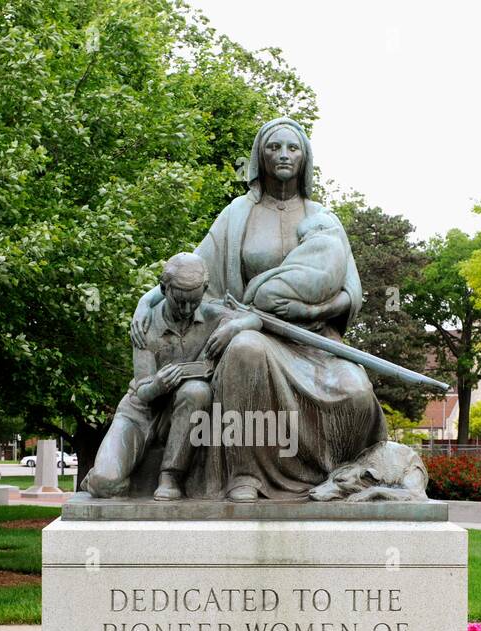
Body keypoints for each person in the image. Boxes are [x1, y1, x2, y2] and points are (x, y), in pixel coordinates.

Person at [131, 118, 386, 502]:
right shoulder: (237, 214)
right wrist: (147, 299)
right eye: (273, 147)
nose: (283, 155)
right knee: (244, 349)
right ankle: (244, 474)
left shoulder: (322, 219)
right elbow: (192, 269)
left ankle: (331, 475)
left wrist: (307, 309)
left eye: (292, 148)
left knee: (358, 393)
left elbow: (351, 294)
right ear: (259, 157)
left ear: (305, 159)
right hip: (250, 333)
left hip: (313, 340)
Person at [85, 252, 219, 500]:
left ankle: (170, 477)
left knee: (197, 391)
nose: (187, 309)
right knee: (104, 483)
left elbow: (252, 317)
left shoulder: (213, 316)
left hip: (180, 409)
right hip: (140, 412)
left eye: (194, 302)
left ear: (205, 290)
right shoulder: (144, 324)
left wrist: (238, 326)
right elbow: (144, 391)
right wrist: (158, 384)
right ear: (163, 289)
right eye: (180, 302)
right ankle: (101, 475)